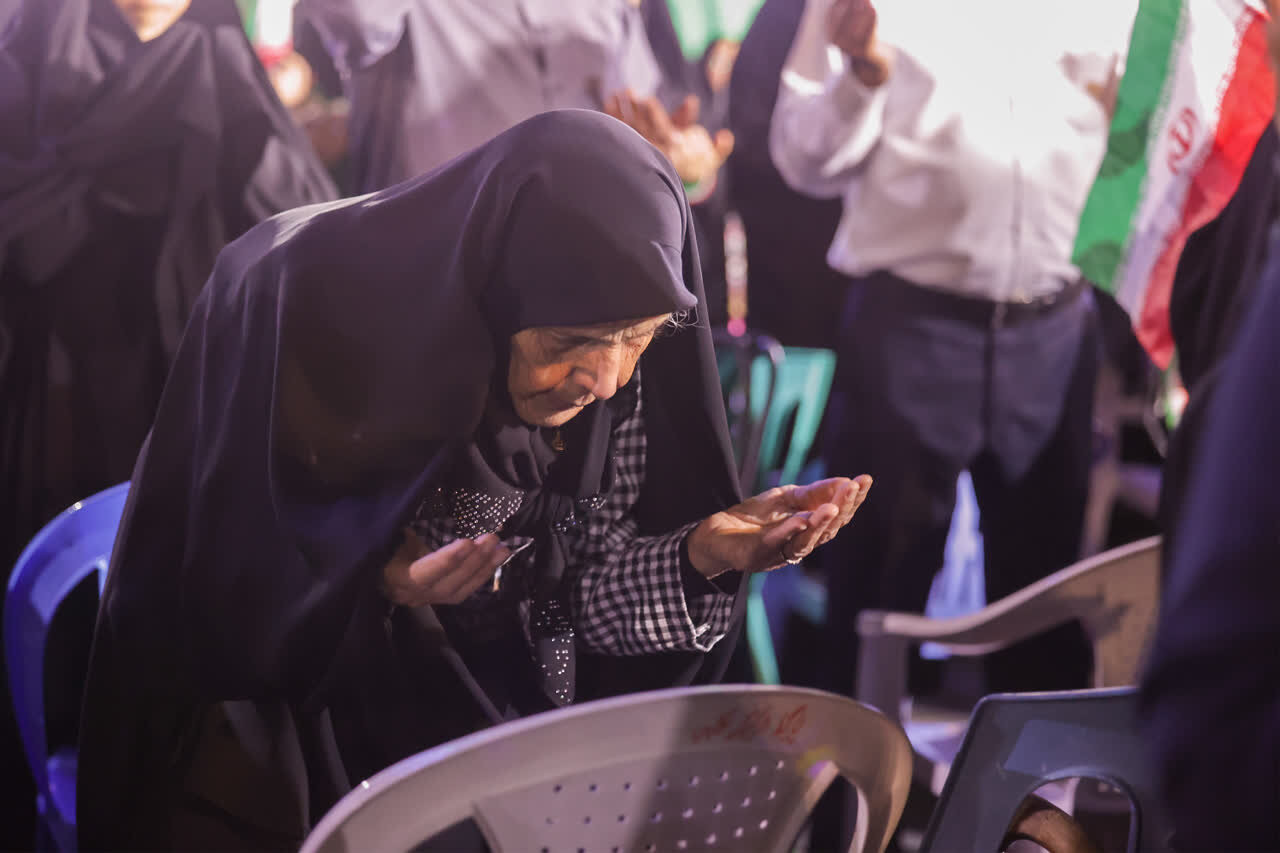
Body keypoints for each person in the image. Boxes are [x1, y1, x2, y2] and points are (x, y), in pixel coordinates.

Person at [76, 110, 871, 849]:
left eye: (639, 338)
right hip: (287, 731)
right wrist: (363, 581)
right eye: (570, 340)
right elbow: (204, 584)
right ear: (500, 285)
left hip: (495, 740)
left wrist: (701, 555)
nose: (603, 378)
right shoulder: (312, 315)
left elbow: (571, 598)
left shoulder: (615, 396)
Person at [0, 0, 335, 844]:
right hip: (55, 397)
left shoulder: (221, 67)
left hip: (189, 399)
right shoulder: (32, 55)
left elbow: (305, 234)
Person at [769, 0, 1136, 696]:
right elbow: (801, 155)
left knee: (1045, 612)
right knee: (877, 608)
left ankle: (1032, 772)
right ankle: (858, 771)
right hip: (915, 333)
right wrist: (863, 76)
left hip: (1056, 332)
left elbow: (1144, 147)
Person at [293, 0, 734, 199]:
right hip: (437, 290)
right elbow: (354, 18)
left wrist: (681, 164)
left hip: (582, 287)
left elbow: (650, 126)